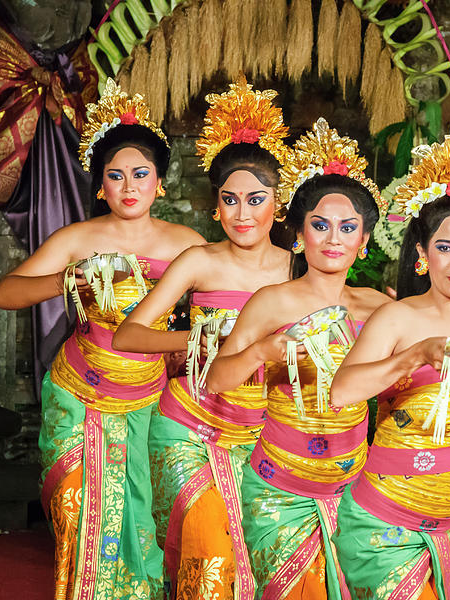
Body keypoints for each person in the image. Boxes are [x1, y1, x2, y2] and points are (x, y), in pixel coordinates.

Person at [0, 80, 206, 600]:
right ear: (99, 187)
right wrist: (70, 281)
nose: (128, 186)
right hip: (80, 393)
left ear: (159, 183)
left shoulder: (187, 245)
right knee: (81, 512)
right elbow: (5, 294)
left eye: (140, 174)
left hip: (151, 400)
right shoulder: (77, 239)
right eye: (115, 176)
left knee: (145, 519)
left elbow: (221, 312)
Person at [111, 78, 291, 599]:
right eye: (230, 200)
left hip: (267, 433)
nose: (242, 213)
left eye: (256, 199)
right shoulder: (199, 262)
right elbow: (129, 334)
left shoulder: (298, 269)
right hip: (191, 427)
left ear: (277, 205)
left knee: (263, 564)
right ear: (215, 207)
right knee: (210, 554)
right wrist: (197, 340)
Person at [205, 118, 391, 599]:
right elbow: (217, 380)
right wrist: (263, 351)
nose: (334, 238)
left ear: (364, 240)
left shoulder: (379, 308)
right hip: (278, 487)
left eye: (348, 228)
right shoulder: (272, 301)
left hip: (356, 489)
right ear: (299, 233)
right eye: (320, 225)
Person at [329, 120, 450, 599]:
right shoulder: (397, 318)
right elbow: (342, 391)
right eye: (444, 248)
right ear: (422, 255)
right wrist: (415, 355)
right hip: (384, 529)